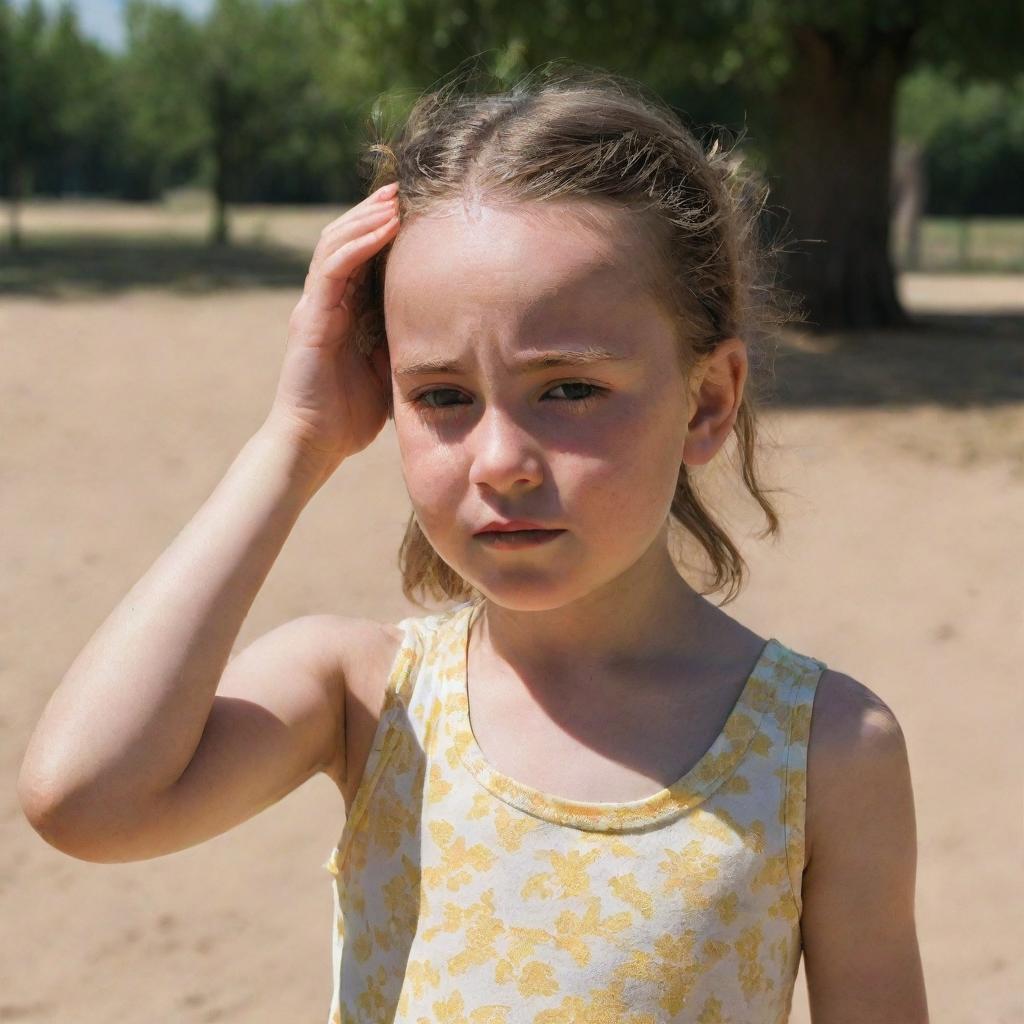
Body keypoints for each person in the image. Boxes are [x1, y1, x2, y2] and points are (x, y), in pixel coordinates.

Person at [17, 66, 929, 1023]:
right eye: (442, 396)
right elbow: (84, 798)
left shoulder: (823, 747)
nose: (500, 460)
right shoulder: (367, 696)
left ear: (706, 401)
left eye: (570, 388)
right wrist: (294, 439)